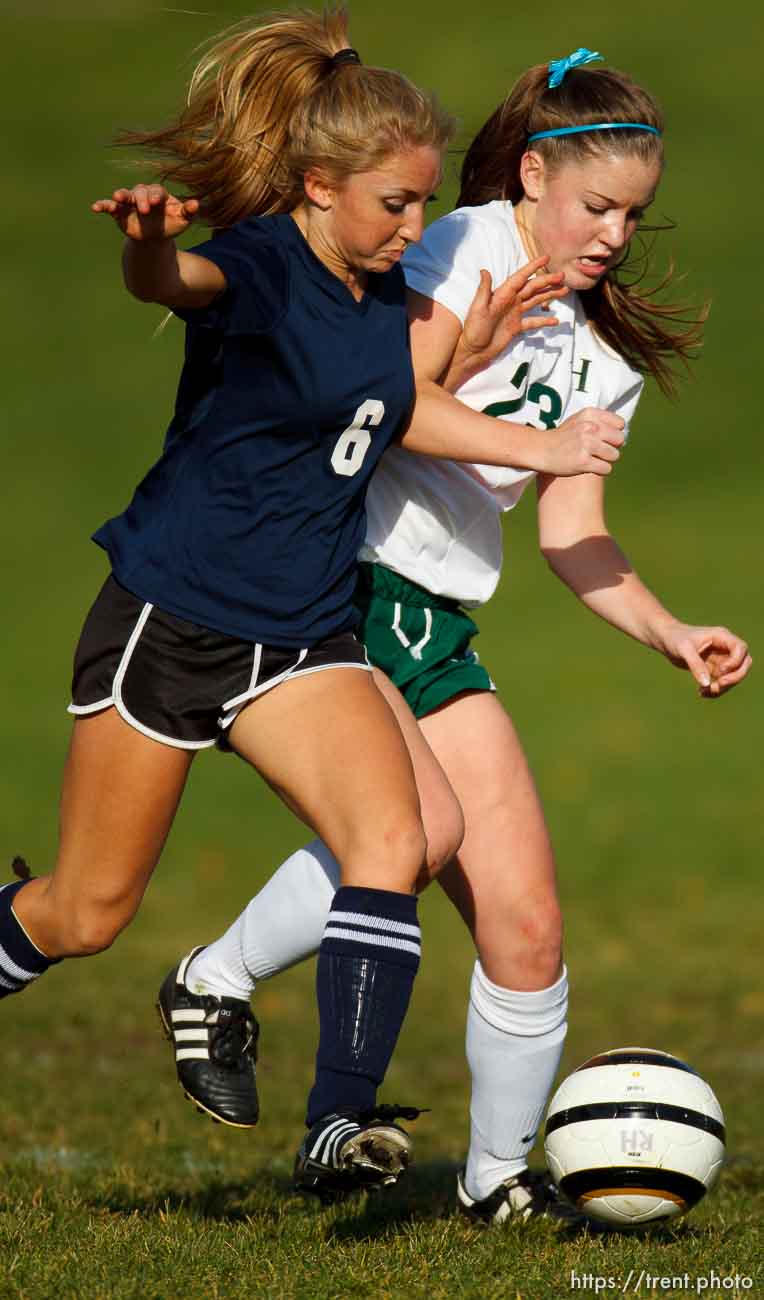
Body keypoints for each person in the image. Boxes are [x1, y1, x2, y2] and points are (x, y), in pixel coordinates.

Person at [2, 16, 621, 1204]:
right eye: (391, 203)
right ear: (316, 185)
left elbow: (397, 412)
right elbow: (178, 281)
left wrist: (531, 434)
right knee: (85, 910)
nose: (411, 226)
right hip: (172, 620)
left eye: (423, 201)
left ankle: (336, 1122)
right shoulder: (263, 262)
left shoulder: (378, 286)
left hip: (299, 634)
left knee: (396, 840)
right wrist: (144, 245)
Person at [157, 47, 752, 1221]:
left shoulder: (598, 354)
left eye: (632, 215)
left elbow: (569, 530)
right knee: (410, 838)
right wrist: (469, 355)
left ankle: (493, 1183)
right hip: (343, 583)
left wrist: (667, 628)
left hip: (436, 621)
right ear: (531, 174)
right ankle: (214, 977)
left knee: (527, 923)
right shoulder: (451, 247)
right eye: (595, 207)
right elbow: (368, 406)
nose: (612, 236)